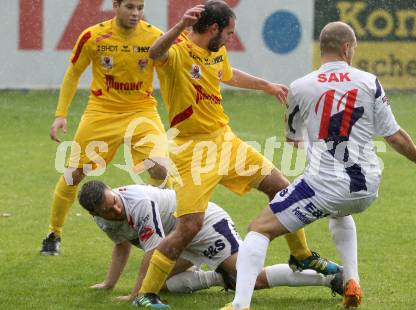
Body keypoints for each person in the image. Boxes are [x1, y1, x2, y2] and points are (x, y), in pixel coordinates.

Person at [134, 1, 340, 307]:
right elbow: (154, 54)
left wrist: (266, 85)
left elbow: (227, 74)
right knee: (189, 226)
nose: (232, 37)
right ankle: (145, 294)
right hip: (193, 151)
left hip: (226, 142)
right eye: (229, 32)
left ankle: (301, 256)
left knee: (283, 189)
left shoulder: (217, 51)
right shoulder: (177, 50)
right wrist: (178, 26)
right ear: (214, 28)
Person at [225, 21, 416, 310]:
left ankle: (239, 305)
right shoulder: (368, 81)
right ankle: (352, 282)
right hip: (366, 187)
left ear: (322, 49)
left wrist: (316, 143)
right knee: (339, 212)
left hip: (325, 186)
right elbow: (394, 136)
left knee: (259, 229)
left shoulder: (300, 86)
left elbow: (292, 139)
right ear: (347, 48)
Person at [40, 0, 171, 256]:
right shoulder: (93, 36)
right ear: (116, 5)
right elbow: (73, 73)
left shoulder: (155, 37)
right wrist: (60, 114)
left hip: (142, 112)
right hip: (102, 113)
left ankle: (154, 227)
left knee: (163, 170)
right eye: (130, 7)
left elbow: (170, 75)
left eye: (140, 7)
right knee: (73, 175)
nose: (135, 13)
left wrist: (177, 112)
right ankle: (54, 233)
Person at [77, 180, 343, 303]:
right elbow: (121, 245)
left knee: (251, 280)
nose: (116, 212)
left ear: (113, 191)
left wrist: (137, 294)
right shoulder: (103, 219)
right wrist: (109, 283)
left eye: (114, 203)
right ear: (94, 214)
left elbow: (154, 253)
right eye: (108, 211)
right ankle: (219, 276)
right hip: (179, 240)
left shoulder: (139, 204)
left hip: (203, 225)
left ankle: (329, 277)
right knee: (166, 285)